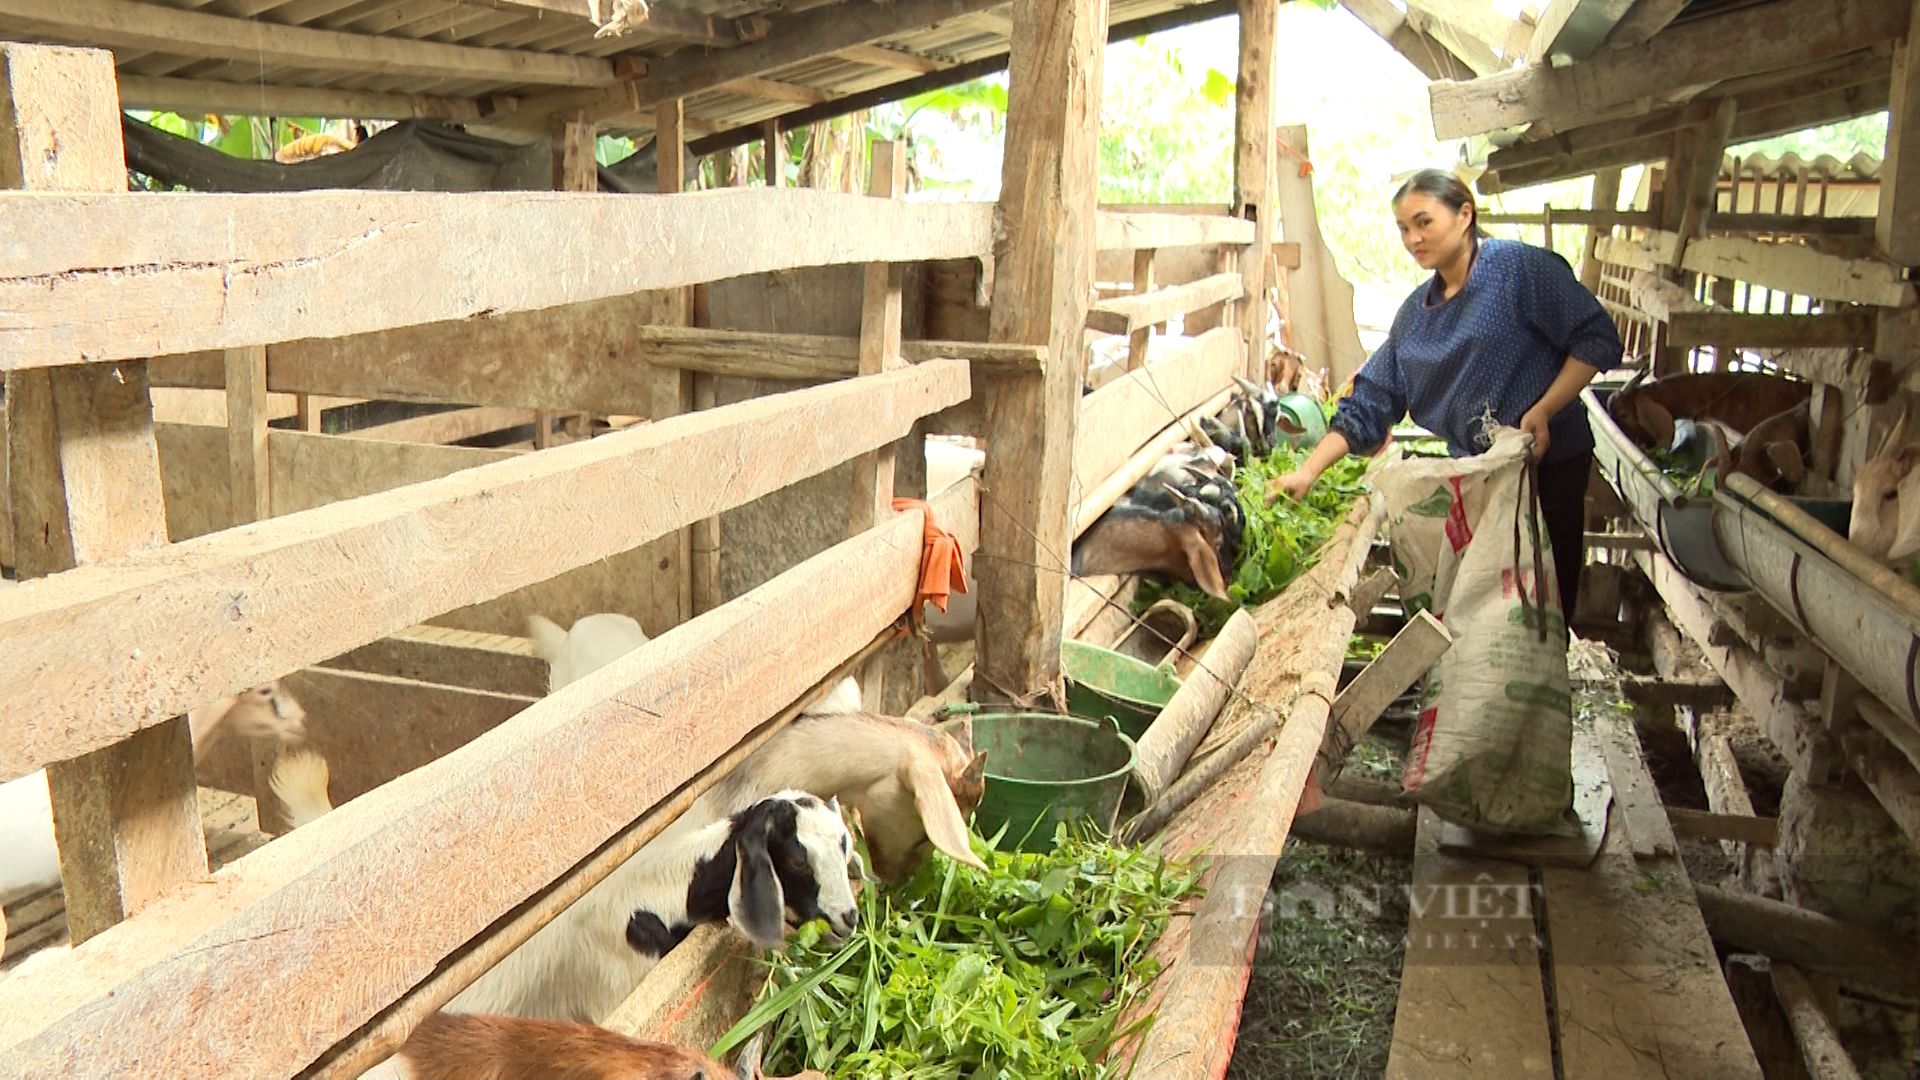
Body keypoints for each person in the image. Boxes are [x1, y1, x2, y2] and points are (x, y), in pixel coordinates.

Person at [1268, 168, 1624, 618]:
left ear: (1464, 215)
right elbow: (1368, 402)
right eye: (1403, 228)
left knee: (1547, 607)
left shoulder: (1519, 270)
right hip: (1478, 476)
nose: (1413, 238)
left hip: (1549, 465)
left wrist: (1544, 409)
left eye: (1423, 222)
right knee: (1486, 607)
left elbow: (1596, 339)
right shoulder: (1415, 318)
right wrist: (1307, 472)